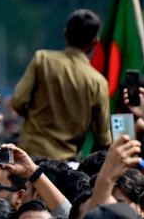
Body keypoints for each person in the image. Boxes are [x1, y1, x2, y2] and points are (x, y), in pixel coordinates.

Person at [11, 9, 111, 160]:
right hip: (65, 164)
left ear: (65, 35)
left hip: (29, 157)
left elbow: (17, 101)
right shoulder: (98, 82)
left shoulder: (42, 60)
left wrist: (35, 117)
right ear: (94, 42)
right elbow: (103, 138)